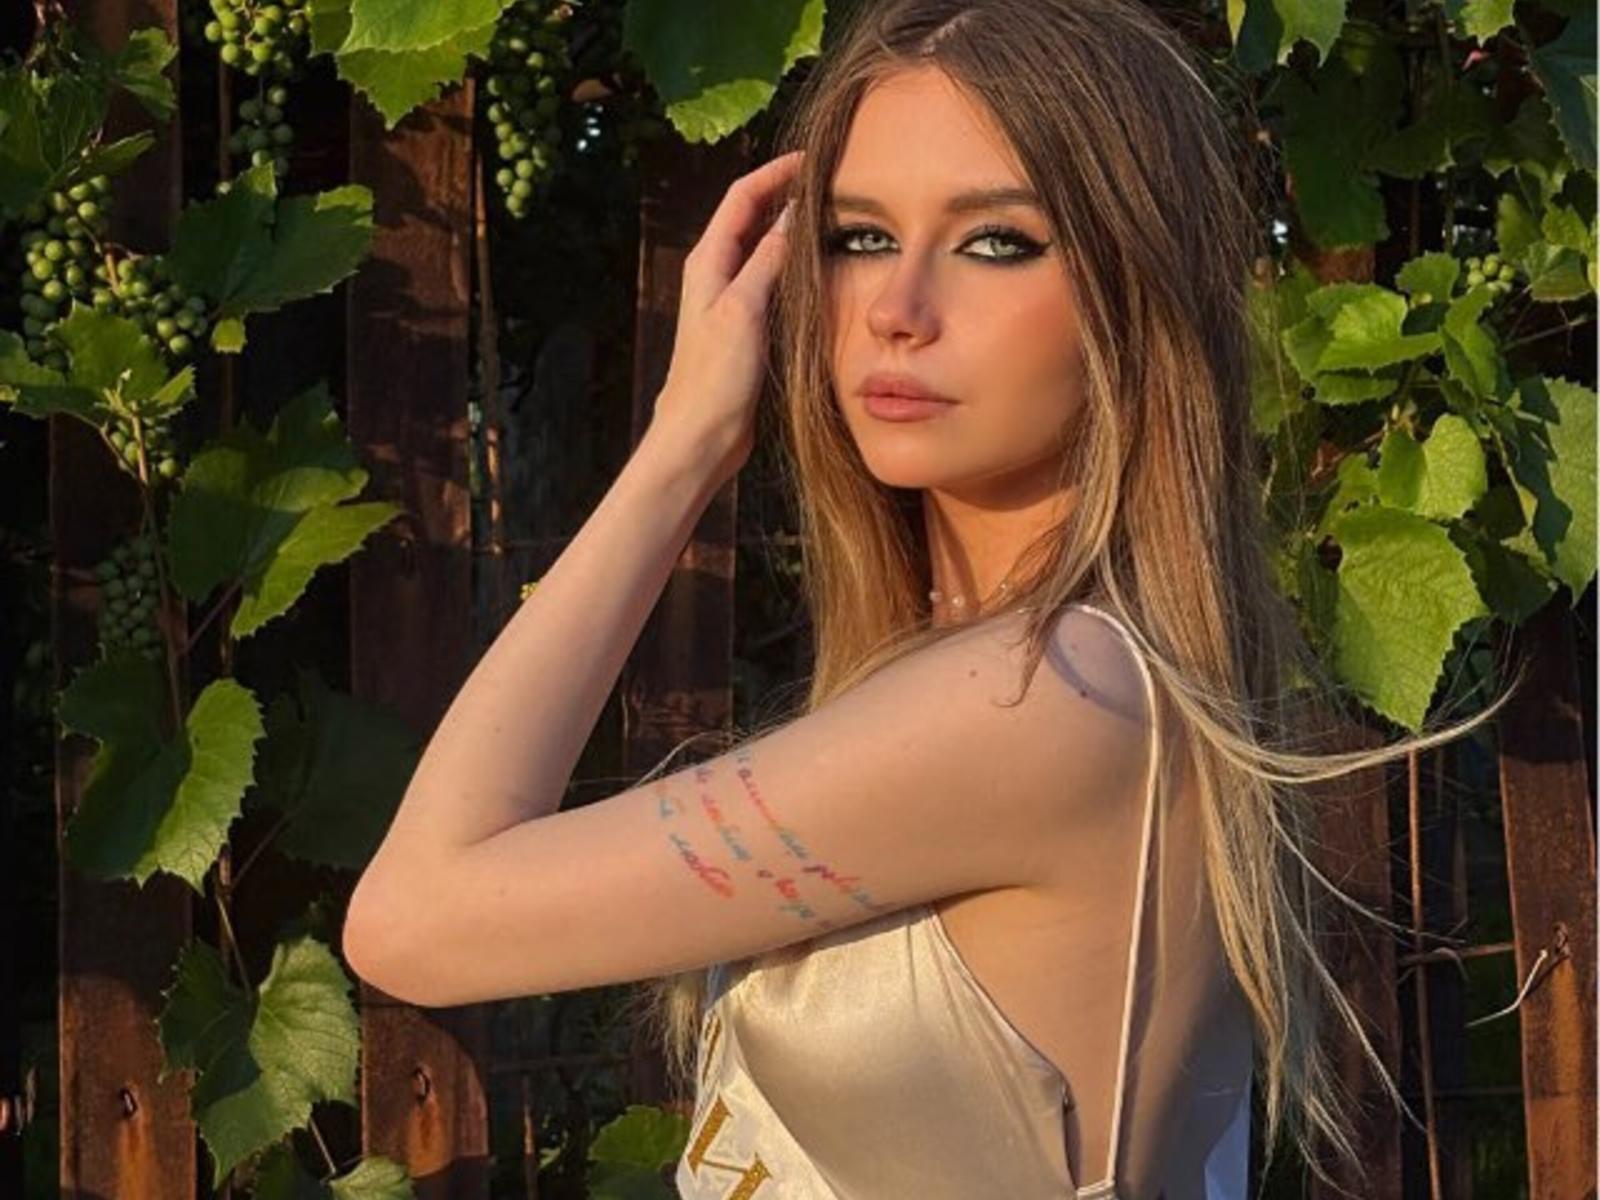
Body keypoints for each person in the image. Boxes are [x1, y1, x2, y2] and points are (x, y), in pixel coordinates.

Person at [343, 0, 1514, 1196]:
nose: (897, 307)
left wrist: (681, 447)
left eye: (995, 241)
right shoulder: (1065, 677)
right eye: (856, 237)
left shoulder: (1035, 700)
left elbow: (413, 919)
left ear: (1137, 287)